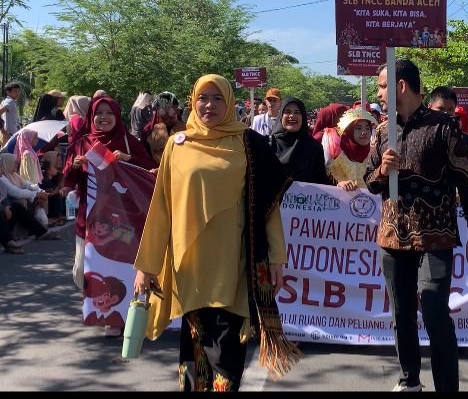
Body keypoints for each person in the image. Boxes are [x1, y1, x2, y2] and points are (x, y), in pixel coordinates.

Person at [133, 74, 300, 391]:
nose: (209, 105)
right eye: (202, 98)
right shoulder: (177, 145)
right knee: (195, 347)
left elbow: (268, 208)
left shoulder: (249, 144)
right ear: (193, 102)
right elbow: (161, 208)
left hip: (232, 266)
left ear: (230, 103)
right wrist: (147, 265)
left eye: (218, 98)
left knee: (225, 352)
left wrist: (277, 258)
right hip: (189, 267)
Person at [365, 59, 468, 392]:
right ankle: (410, 381)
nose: (379, 94)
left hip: (436, 239)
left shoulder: (445, 128)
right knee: (401, 314)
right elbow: (369, 182)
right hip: (392, 239)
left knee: (434, 312)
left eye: (382, 87)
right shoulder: (382, 131)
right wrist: (382, 171)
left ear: (401, 86)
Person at [62, 97, 156, 292]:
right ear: (91, 116)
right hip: (89, 217)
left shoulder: (128, 142)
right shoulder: (81, 144)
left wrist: (128, 158)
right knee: (81, 270)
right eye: (99, 113)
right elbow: (68, 180)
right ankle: (96, 299)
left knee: (122, 267)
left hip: (125, 217)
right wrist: (75, 166)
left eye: (109, 113)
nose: (104, 117)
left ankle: (120, 306)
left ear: (117, 116)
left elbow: (150, 171)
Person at [269, 97, 329, 185]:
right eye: (287, 112)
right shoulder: (269, 144)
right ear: (281, 116)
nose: (292, 115)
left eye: (297, 112)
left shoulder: (314, 147)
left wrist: (339, 186)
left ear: (303, 117)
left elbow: (321, 180)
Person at [323, 107, 376, 191]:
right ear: (349, 131)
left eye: (367, 128)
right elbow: (324, 184)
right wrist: (339, 184)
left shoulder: (375, 156)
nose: (364, 132)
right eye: (358, 128)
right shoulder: (335, 159)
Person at [142, 92, 187, 165]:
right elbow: (144, 156)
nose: (166, 115)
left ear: (177, 111)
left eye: (170, 110)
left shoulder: (187, 129)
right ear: (157, 112)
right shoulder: (148, 130)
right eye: (162, 110)